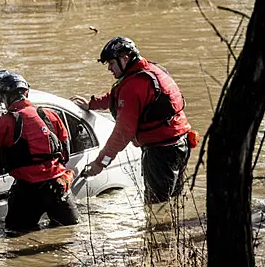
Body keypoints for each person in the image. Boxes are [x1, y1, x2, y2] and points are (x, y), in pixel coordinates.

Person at [71, 36, 195, 204]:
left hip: (160, 152)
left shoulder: (134, 85)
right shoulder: (152, 70)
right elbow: (119, 96)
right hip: (181, 144)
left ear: (125, 58)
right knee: (172, 203)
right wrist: (92, 104)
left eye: (111, 63)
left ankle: (159, 230)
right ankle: (174, 230)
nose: (109, 68)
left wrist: (100, 163)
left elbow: (123, 133)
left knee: (156, 207)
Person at [0, 71, 79, 236]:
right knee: (69, 236)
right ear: (26, 93)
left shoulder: (5, 122)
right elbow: (65, 153)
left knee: (15, 238)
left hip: (28, 193)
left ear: (5, 97)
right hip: (59, 187)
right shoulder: (50, 114)